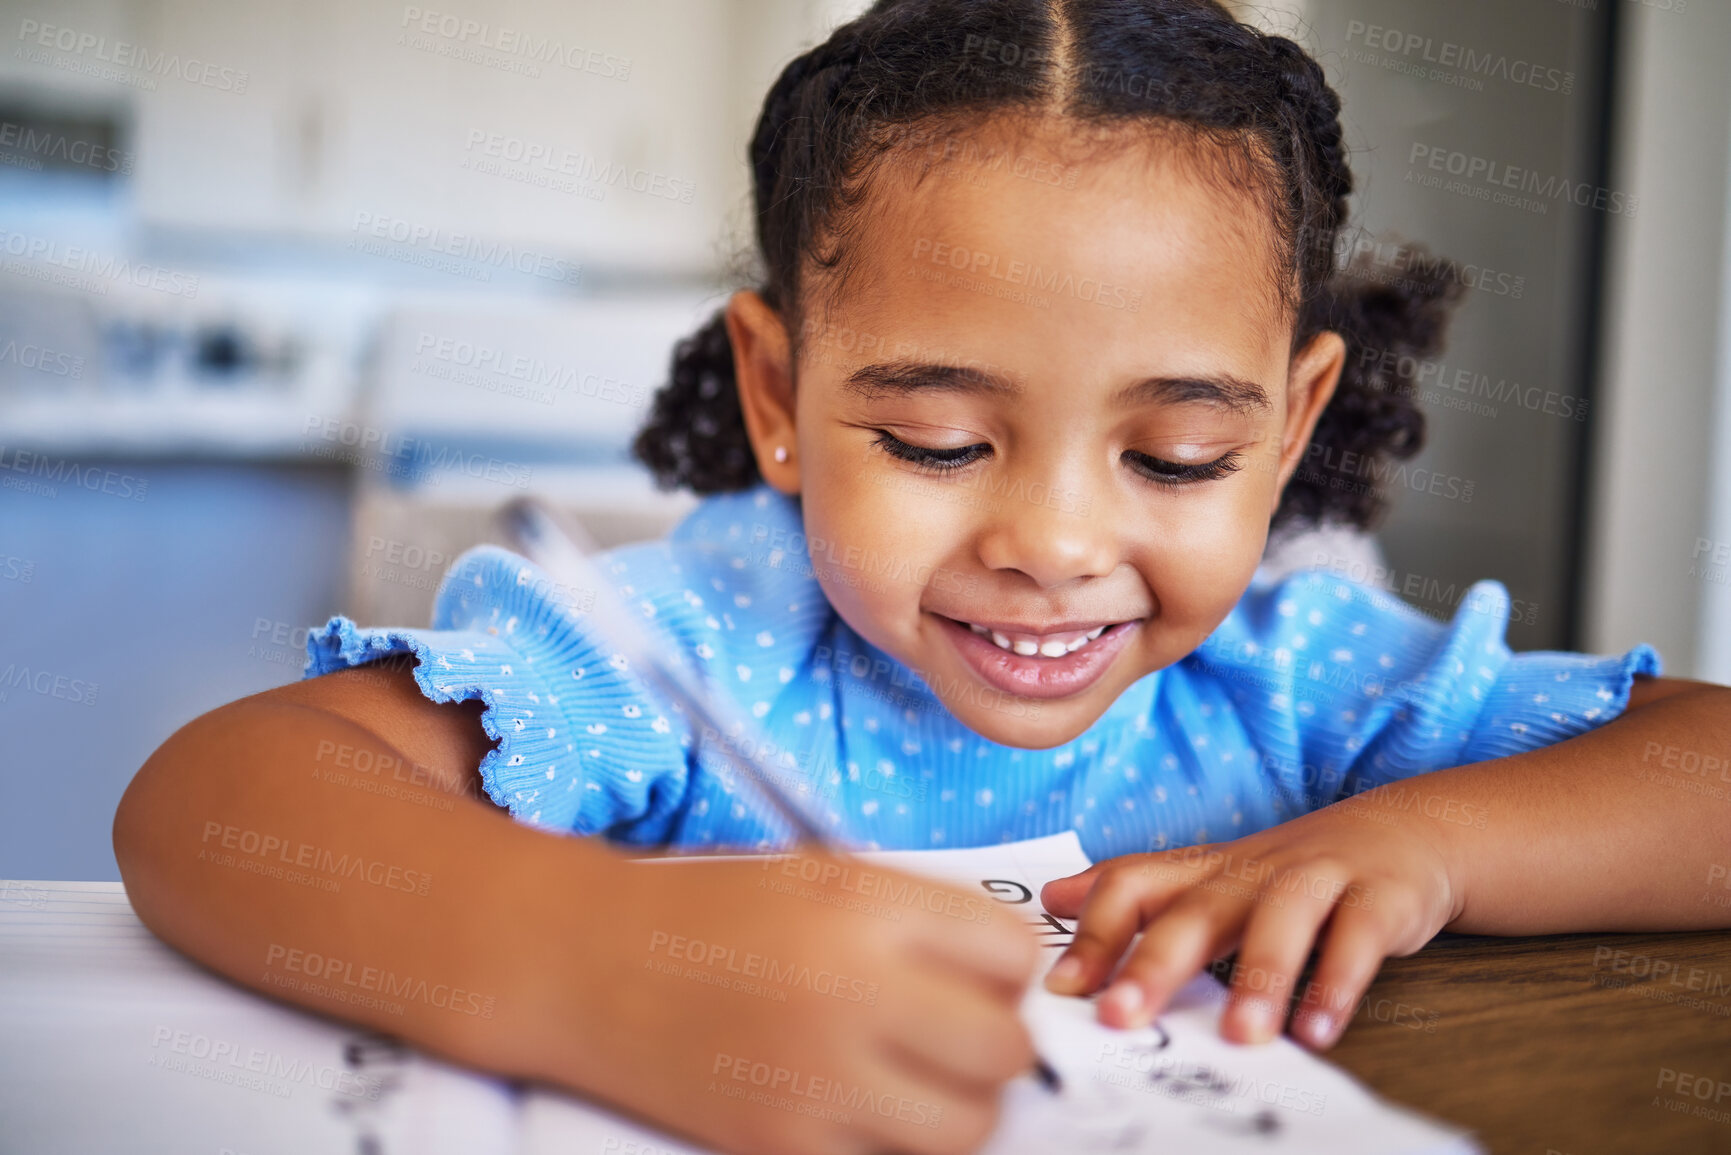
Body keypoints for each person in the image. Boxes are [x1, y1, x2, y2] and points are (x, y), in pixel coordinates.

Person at [114, 2, 1730, 1153]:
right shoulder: (694, 656)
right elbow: (220, 797)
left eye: (1172, 458)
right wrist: (593, 966)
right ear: (779, 397)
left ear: (1291, 422)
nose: (1051, 543)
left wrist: (1422, 843)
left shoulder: (1292, 681)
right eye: (942, 442)